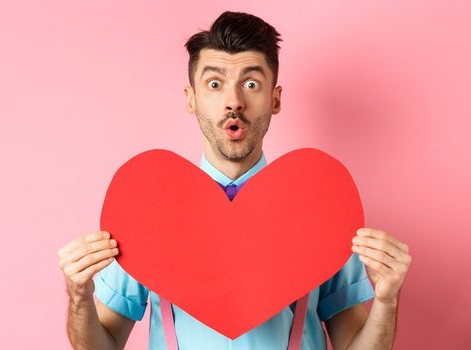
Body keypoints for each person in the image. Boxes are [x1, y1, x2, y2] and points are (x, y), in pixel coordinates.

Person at [57, 11, 411, 350]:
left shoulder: (323, 209)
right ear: (191, 99)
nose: (233, 101)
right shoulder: (148, 209)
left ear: (274, 99)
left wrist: (386, 301)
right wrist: (79, 297)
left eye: (251, 83)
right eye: (214, 84)